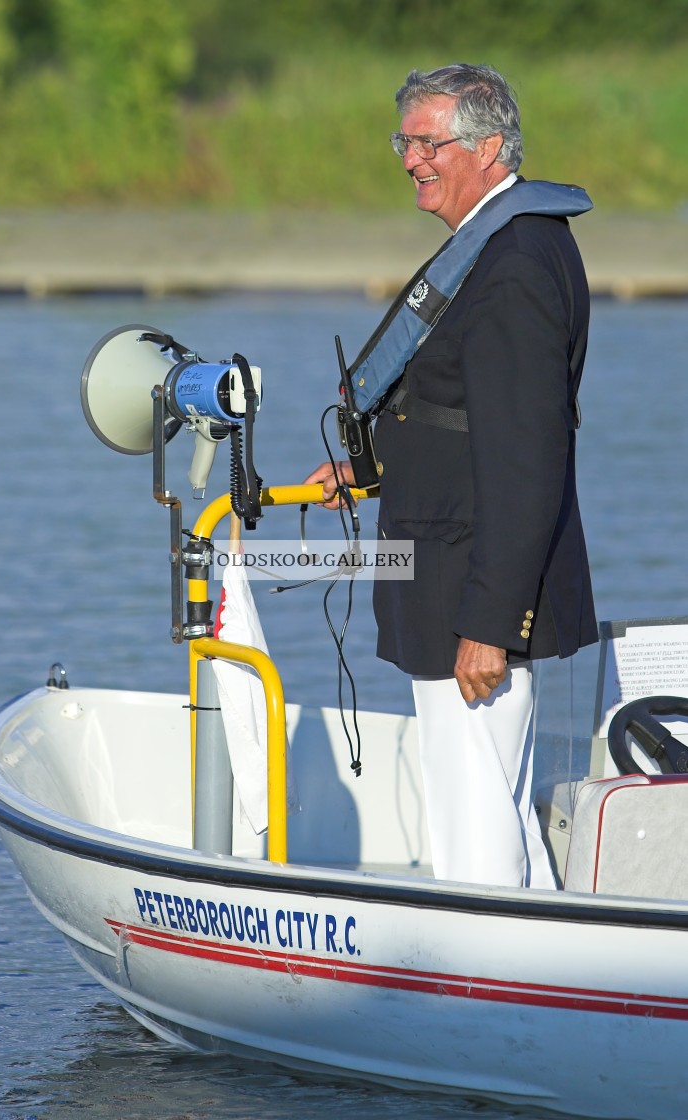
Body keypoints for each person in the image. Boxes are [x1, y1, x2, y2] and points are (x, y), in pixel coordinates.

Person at [305, 63, 597, 889]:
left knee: (473, 816)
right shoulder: (500, 242)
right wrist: (365, 471)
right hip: (453, 569)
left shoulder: (512, 265)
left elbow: (526, 453)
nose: (409, 158)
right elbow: (451, 414)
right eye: (404, 140)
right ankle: (545, 972)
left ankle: (490, 996)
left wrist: (489, 620)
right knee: (485, 798)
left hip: (473, 586)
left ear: (490, 146)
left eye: (428, 141)